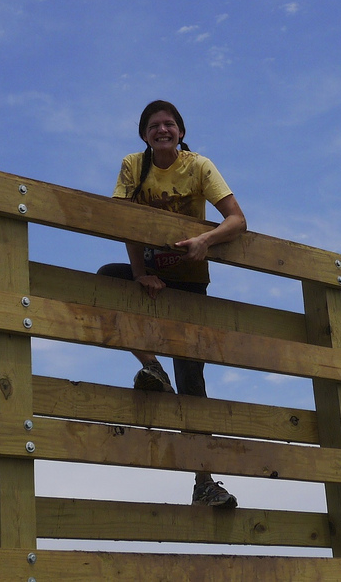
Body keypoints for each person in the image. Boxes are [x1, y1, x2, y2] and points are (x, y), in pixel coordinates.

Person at [98, 99, 247, 508]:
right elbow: (123, 219)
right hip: (150, 270)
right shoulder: (133, 165)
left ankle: (204, 482)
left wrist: (206, 240)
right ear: (144, 135)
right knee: (103, 285)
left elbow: (237, 219)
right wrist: (139, 271)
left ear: (180, 131)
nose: (161, 130)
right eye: (153, 126)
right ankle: (151, 367)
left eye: (169, 124)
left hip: (189, 282)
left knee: (192, 384)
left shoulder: (199, 166)